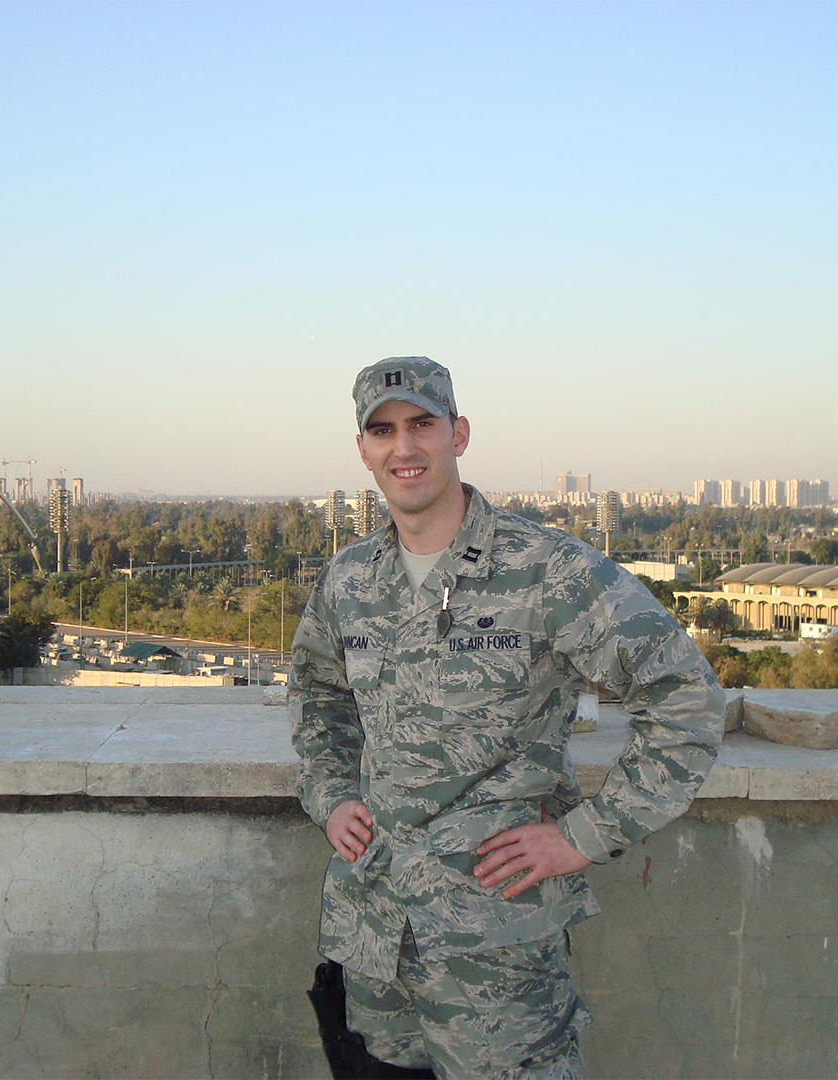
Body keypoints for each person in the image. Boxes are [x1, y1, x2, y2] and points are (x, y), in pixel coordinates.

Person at [291, 357, 725, 1079]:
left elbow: (686, 698)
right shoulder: (351, 579)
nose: (405, 447)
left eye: (422, 425)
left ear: (458, 435)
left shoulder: (546, 570)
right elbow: (318, 695)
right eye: (384, 430)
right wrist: (331, 793)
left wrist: (583, 836)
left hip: (497, 961)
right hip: (375, 942)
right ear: (363, 449)